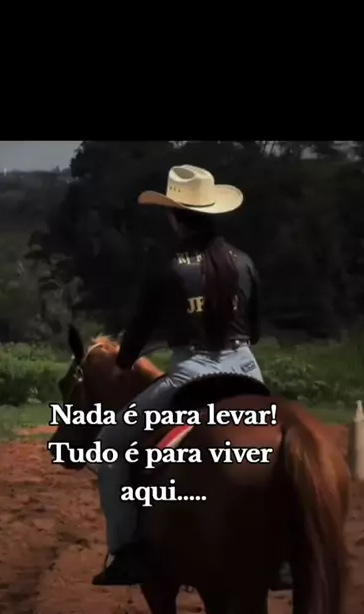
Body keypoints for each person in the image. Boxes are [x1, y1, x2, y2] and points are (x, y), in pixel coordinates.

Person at [91, 164, 291, 590]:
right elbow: (254, 330)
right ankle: (287, 553)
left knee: (110, 444)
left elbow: (138, 331)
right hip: (247, 368)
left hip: (192, 372)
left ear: (173, 214)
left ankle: (126, 551)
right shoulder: (244, 262)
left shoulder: (167, 267)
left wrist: (125, 363)